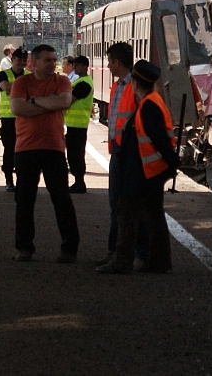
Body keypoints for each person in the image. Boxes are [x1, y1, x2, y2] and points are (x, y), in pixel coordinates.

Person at [97, 60, 180, 274]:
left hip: (144, 172)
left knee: (126, 214)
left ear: (135, 82)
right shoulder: (152, 101)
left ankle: (121, 261)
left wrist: (172, 162)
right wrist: (171, 164)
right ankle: (160, 263)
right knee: (153, 217)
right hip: (150, 170)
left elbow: (158, 138)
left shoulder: (148, 105)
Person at [9, 44, 80, 263]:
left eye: (54, 60)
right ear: (35, 62)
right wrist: (49, 104)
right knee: (24, 200)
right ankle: (24, 247)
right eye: (48, 60)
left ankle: (69, 248)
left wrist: (35, 101)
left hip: (54, 147)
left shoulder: (62, 81)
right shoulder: (22, 83)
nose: (53, 65)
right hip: (26, 148)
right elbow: (18, 109)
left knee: (62, 199)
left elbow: (64, 101)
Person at [97, 42, 149, 268]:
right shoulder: (117, 87)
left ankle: (139, 255)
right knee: (116, 204)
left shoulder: (135, 86)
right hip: (118, 151)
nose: (107, 66)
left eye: (109, 62)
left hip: (133, 154)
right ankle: (114, 251)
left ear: (117, 62)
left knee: (132, 206)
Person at [0, 48, 29, 192]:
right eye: (19, 59)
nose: (22, 62)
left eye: (24, 60)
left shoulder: (29, 75)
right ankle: (9, 180)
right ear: (13, 60)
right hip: (8, 119)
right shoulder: (4, 74)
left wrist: (14, 89)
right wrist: (24, 89)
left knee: (25, 151)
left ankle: (23, 180)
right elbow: (4, 86)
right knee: (9, 150)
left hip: (26, 118)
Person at [64, 55, 93, 194]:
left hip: (78, 125)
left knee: (76, 155)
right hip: (74, 124)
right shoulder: (80, 81)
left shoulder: (84, 83)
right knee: (73, 154)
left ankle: (80, 182)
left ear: (84, 67)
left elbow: (69, 100)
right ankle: (78, 182)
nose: (74, 68)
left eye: (77, 65)